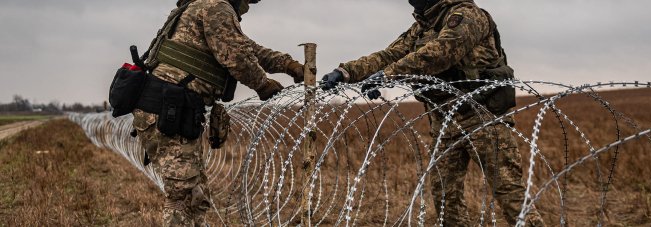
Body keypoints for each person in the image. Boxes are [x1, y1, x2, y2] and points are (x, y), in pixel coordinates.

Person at [321, 0, 545, 226]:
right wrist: (346, 71)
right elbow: (389, 55)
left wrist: (389, 75)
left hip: (483, 117)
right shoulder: (422, 28)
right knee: (446, 201)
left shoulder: (467, 15)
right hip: (445, 123)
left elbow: (442, 52)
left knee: (509, 193)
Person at [131, 0, 305, 225]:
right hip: (168, 112)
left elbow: (247, 47)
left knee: (196, 196)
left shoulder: (203, 6)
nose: (246, 7)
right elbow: (236, 56)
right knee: (182, 195)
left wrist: (287, 65)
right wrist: (263, 85)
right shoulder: (215, 7)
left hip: (171, 110)